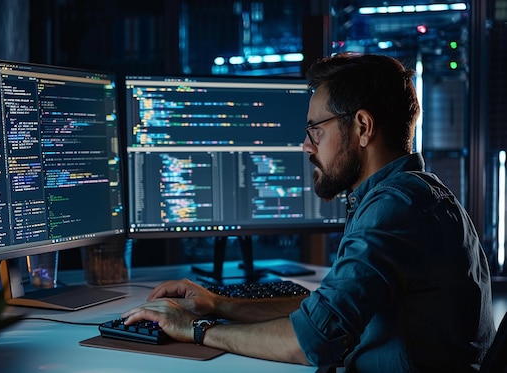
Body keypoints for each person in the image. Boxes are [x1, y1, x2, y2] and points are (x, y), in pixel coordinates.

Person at [122, 53, 496, 372]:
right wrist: (219, 305)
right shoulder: (412, 193)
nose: (305, 146)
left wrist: (195, 330)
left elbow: (312, 340)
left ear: (362, 127)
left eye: (315, 130)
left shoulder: (395, 207)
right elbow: (326, 313)